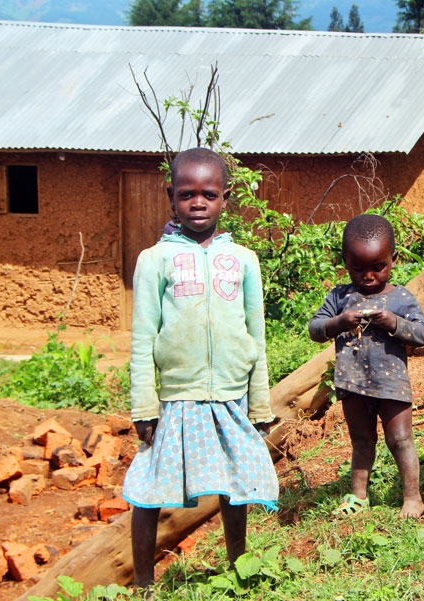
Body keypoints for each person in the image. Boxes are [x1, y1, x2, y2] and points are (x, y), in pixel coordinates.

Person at [122, 147, 278, 589]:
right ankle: (145, 585)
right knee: (151, 491)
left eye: (209, 194)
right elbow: (141, 338)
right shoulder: (155, 259)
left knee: (235, 486)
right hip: (177, 397)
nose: (197, 203)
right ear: (170, 195)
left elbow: (256, 335)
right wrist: (143, 406)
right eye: (186, 193)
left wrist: (260, 403)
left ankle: (238, 571)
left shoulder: (244, 260)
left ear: (225, 197)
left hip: (231, 394)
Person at [309, 213, 424, 518]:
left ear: (394, 259)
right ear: (345, 262)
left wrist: (393, 323)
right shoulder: (340, 296)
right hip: (351, 384)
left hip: (392, 386)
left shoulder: (401, 298)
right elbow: (315, 329)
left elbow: (422, 334)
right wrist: (339, 322)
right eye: (358, 268)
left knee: (400, 439)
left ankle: (412, 497)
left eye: (378, 267)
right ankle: (359, 496)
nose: (368, 276)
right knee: (361, 441)